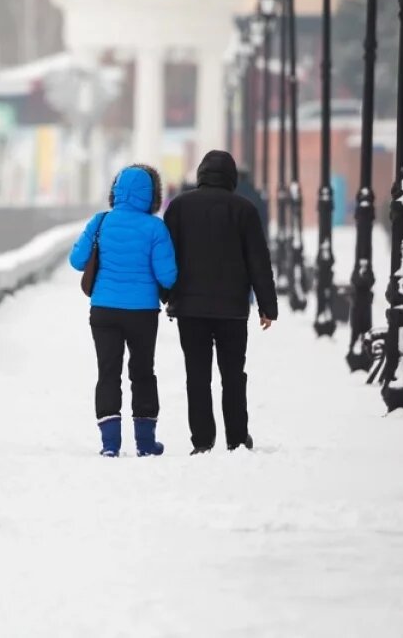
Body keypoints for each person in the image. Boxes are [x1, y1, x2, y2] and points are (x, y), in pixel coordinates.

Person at [163, 150, 278, 454]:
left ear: (200, 174)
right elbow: (258, 261)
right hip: (233, 310)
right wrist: (267, 306)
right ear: (231, 178)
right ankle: (237, 437)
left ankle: (202, 440)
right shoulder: (245, 209)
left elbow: (166, 258)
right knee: (233, 375)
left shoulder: (178, 208)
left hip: (190, 309)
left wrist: (166, 295)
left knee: (197, 376)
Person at [70, 165, 178, 457]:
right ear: (152, 195)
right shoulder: (155, 227)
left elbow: (77, 260)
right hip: (142, 312)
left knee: (108, 372)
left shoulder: (100, 222)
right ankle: (145, 444)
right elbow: (168, 277)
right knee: (143, 372)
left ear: (115, 191)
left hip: (103, 311)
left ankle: (110, 444)